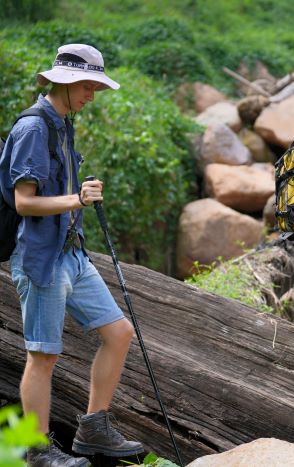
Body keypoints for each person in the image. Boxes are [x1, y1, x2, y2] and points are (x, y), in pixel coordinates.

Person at [0, 44, 144, 466]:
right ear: (64, 82)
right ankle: (35, 452)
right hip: (40, 258)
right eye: (88, 86)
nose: (92, 95)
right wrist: (77, 200)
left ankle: (93, 429)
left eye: (96, 87)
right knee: (43, 355)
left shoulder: (63, 123)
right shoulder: (33, 128)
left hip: (71, 254)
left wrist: (75, 201)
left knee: (119, 334)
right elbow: (23, 202)